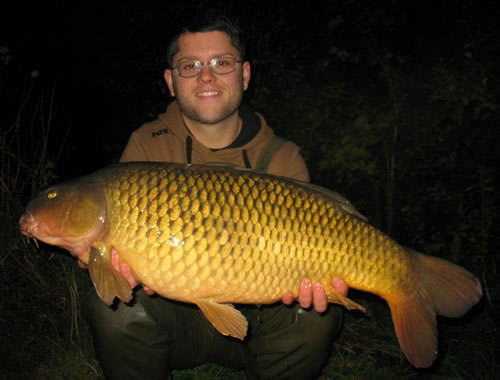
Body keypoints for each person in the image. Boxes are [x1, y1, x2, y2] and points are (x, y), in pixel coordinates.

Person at [83, 14, 349, 380]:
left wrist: (315, 285)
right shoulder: (146, 146)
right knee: (112, 306)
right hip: (175, 326)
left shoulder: (281, 157)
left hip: (259, 329)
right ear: (171, 81)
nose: (205, 76)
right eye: (189, 66)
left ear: (245, 74)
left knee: (314, 314)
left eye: (221, 63)